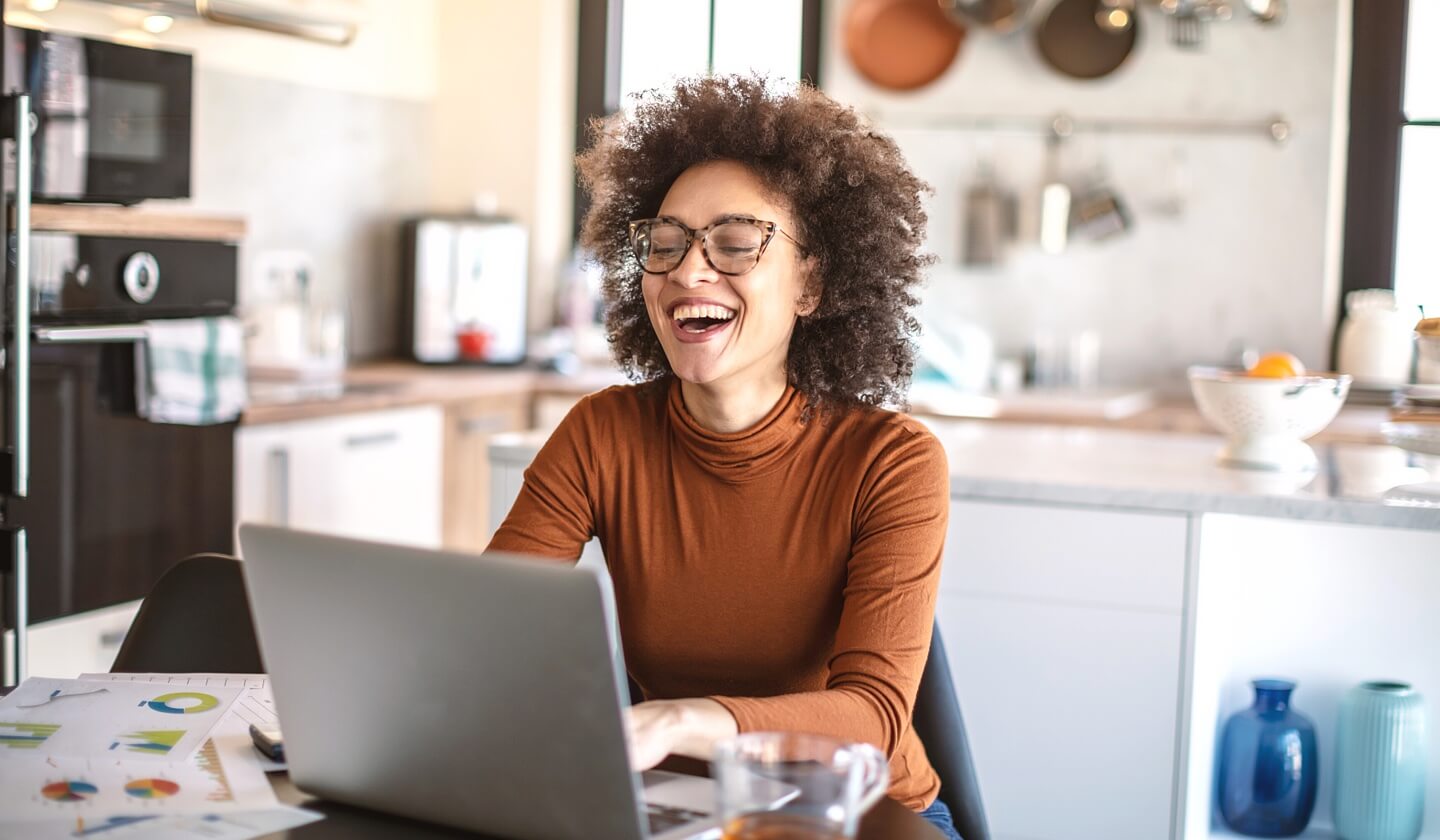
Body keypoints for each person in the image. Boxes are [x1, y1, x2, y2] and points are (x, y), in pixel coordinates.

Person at [488, 75, 961, 839]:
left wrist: (680, 721)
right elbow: (491, 624)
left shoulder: (892, 461)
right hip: (677, 803)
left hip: (861, 813)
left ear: (813, 282)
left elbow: (870, 716)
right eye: (665, 244)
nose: (686, 271)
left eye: (736, 244)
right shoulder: (601, 433)